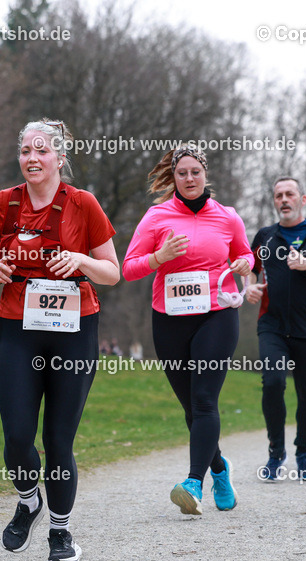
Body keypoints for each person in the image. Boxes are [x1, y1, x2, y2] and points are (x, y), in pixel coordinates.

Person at [0, 118, 119, 561]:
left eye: (42, 150)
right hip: (17, 327)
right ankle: (28, 500)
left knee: (58, 440)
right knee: (17, 436)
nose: (32, 158)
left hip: (74, 330)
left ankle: (60, 531)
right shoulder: (3, 203)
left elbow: (112, 272)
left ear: (59, 157)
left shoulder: (83, 204)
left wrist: (80, 260)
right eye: (25, 150)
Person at [123, 144, 253, 515]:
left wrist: (244, 264)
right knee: (191, 408)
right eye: (182, 173)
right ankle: (220, 469)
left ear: (205, 174)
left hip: (216, 314)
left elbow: (245, 254)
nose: (189, 178)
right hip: (170, 318)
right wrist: (159, 257)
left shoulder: (227, 217)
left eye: (195, 172)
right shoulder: (156, 216)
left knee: (205, 400)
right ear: (174, 177)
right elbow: (128, 268)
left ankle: (193, 483)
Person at [244, 177, 306, 482]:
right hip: (272, 326)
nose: (284, 200)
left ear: (303, 199)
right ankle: (276, 453)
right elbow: (250, 268)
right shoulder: (265, 237)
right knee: (273, 383)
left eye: (289, 194)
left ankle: (303, 454)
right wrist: (249, 288)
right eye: (278, 195)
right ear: (274, 201)